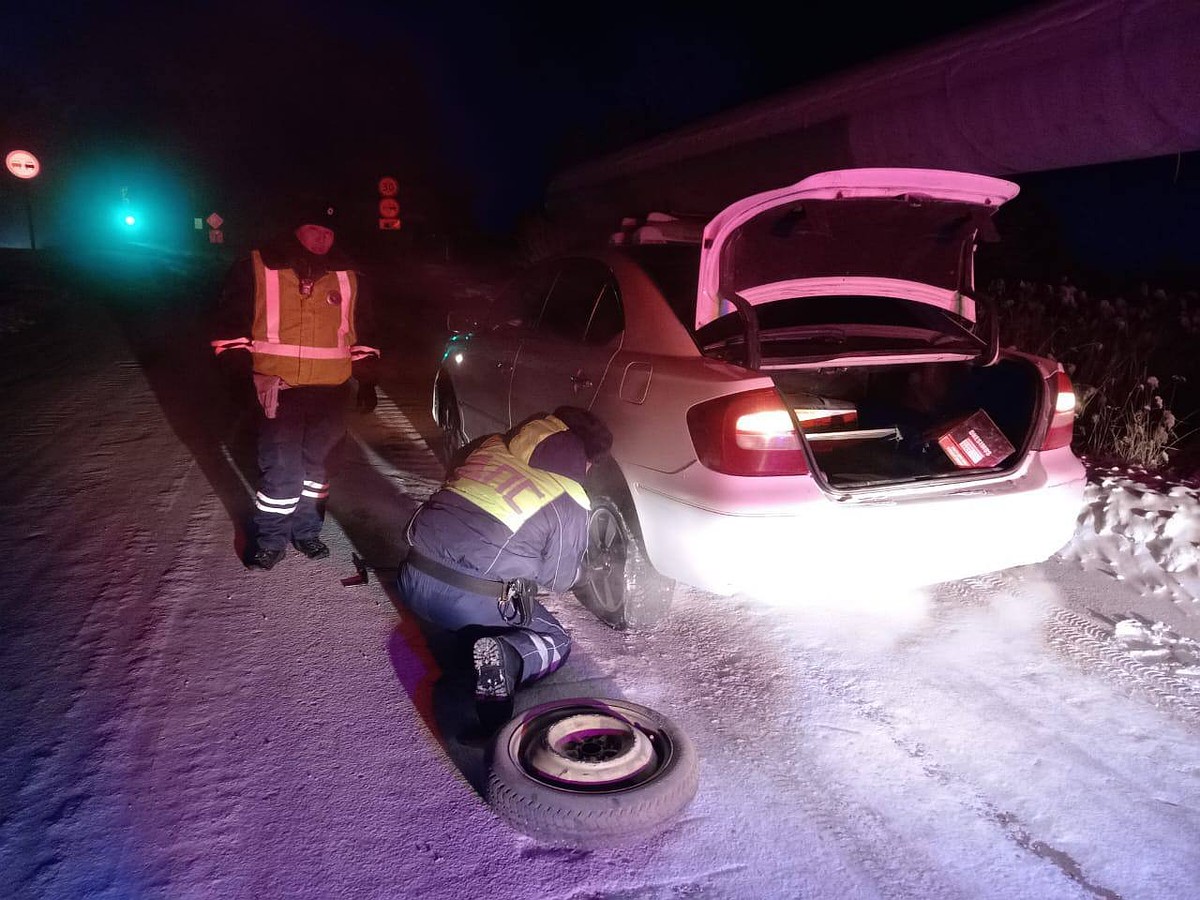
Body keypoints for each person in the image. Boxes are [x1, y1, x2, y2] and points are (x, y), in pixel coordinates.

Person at [396, 406, 613, 725]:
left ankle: (464, 634)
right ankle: (507, 657)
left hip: (411, 579)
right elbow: (558, 579)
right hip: (463, 603)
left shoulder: (489, 445)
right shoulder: (570, 496)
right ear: (586, 458)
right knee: (555, 640)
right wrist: (586, 572)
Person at [211, 199, 381, 570]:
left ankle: (306, 532)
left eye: (328, 231)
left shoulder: (348, 275)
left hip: (332, 392)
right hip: (279, 390)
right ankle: (270, 540)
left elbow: (362, 333)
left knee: (319, 472)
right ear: (295, 228)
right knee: (281, 469)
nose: (322, 238)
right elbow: (230, 327)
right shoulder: (256, 266)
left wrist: (367, 381)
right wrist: (242, 378)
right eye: (314, 229)